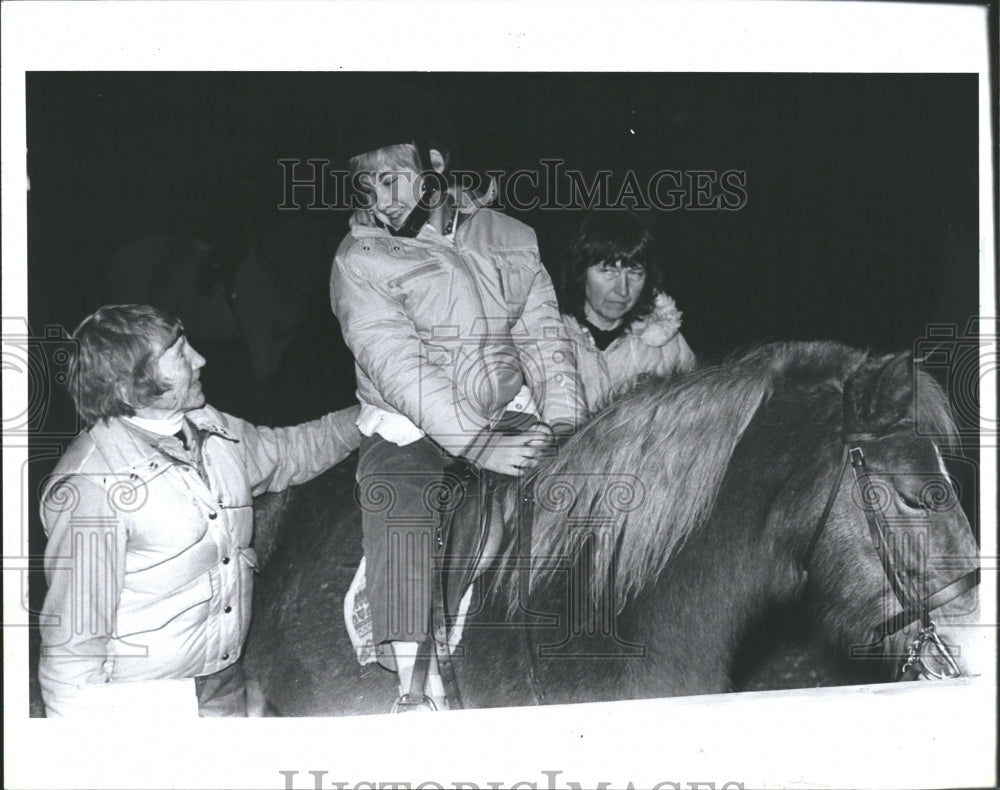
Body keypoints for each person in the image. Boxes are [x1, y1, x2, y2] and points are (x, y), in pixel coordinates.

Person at [330, 84, 584, 710]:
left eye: (396, 179)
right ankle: (414, 680)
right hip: (413, 427)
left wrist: (567, 423)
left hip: (512, 407)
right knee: (397, 501)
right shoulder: (359, 261)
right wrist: (477, 443)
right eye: (370, 185)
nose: (383, 199)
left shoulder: (508, 235)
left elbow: (543, 335)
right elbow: (399, 365)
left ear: (435, 168)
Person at [38, 304, 362, 718]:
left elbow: (290, 452)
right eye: (179, 352)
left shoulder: (209, 428)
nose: (200, 359)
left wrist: (372, 416)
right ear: (131, 386)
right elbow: (72, 646)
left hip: (223, 681)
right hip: (144, 702)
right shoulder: (93, 487)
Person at [557, 210, 695, 412]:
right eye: (608, 271)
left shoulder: (666, 344)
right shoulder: (550, 339)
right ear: (580, 271)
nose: (622, 289)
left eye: (635, 273)